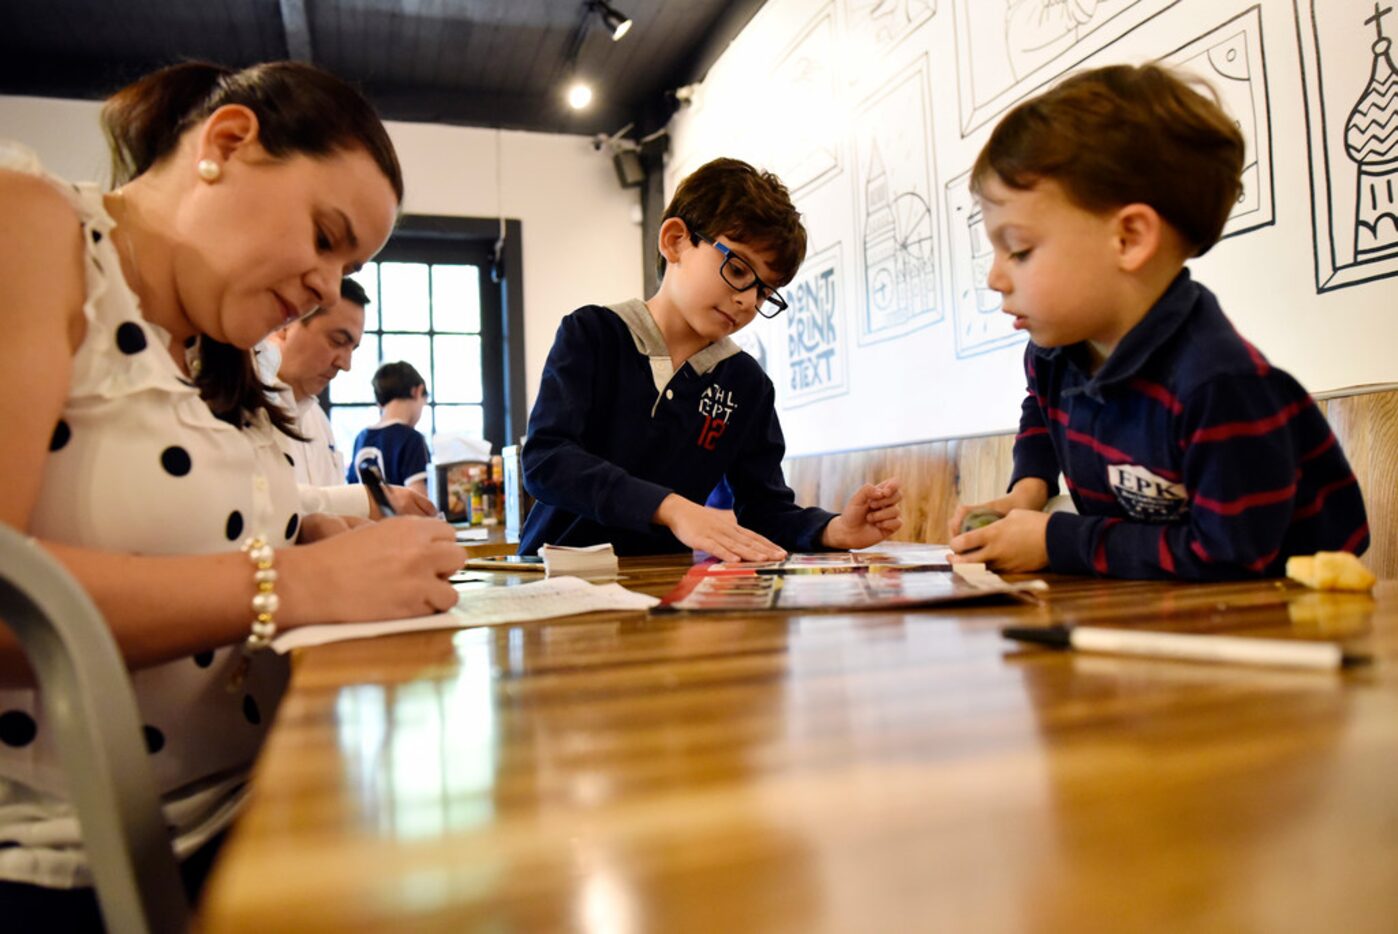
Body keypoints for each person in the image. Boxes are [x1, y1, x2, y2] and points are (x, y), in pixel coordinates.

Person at [0, 61, 461, 922]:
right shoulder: (30, 225)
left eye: (351, 263)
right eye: (326, 237)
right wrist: (292, 582)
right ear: (227, 141)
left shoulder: (214, 346)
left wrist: (311, 536)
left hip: (258, 805)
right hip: (90, 860)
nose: (329, 286)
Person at [947, 64, 1368, 579]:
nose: (995, 278)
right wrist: (1028, 490)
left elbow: (1232, 557)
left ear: (1128, 239)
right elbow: (1041, 408)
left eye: (1018, 249)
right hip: (1166, 599)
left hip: (1283, 612)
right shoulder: (1055, 354)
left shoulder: (1218, 384)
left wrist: (1057, 541)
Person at [519, 157, 902, 561]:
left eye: (765, 293)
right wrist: (673, 509)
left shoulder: (746, 384)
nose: (747, 301)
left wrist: (833, 529)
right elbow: (548, 460)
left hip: (661, 584)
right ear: (675, 241)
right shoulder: (594, 333)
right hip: (556, 575)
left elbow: (764, 509)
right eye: (738, 270)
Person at [266, 277, 434, 518]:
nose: (345, 365)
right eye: (337, 341)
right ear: (285, 324)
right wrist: (364, 502)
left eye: (352, 349)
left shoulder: (318, 421)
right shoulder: (235, 406)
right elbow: (259, 507)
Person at [347, 361, 431, 497]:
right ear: (417, 391)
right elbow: (419, 500)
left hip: (363, 517)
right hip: (401, 518)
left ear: (379, 402)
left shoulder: (361, 437)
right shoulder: (412, 438)